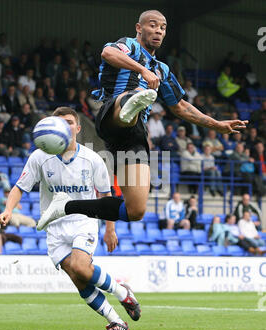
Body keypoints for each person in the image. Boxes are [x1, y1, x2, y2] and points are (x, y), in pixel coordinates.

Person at [36, 10, 248, 230]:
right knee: (135, 92)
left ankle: (65, 206)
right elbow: (107, 53)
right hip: (111, 113)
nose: (158, 31)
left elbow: (181, 106)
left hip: (133, 138)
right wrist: (142, 70)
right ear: (139, 28)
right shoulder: (129, 45)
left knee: (135, 210)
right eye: (153, 25)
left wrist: (217, 124)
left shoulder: (162, 70)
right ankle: (132, 103)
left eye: (163, 27)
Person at [0, 107, 139, 330]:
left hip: (84, 221)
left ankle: (123, 293)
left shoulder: (92, 159)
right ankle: (116, 322)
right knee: (78, 277)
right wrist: (7, 210)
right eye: (61, 121)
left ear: (78, 128)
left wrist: (110, 229)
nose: (66, 125)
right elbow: (19, 187)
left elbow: (106, 197)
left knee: (80, 266)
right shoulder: (39, 157)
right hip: (54, 226)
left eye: (70, 122)